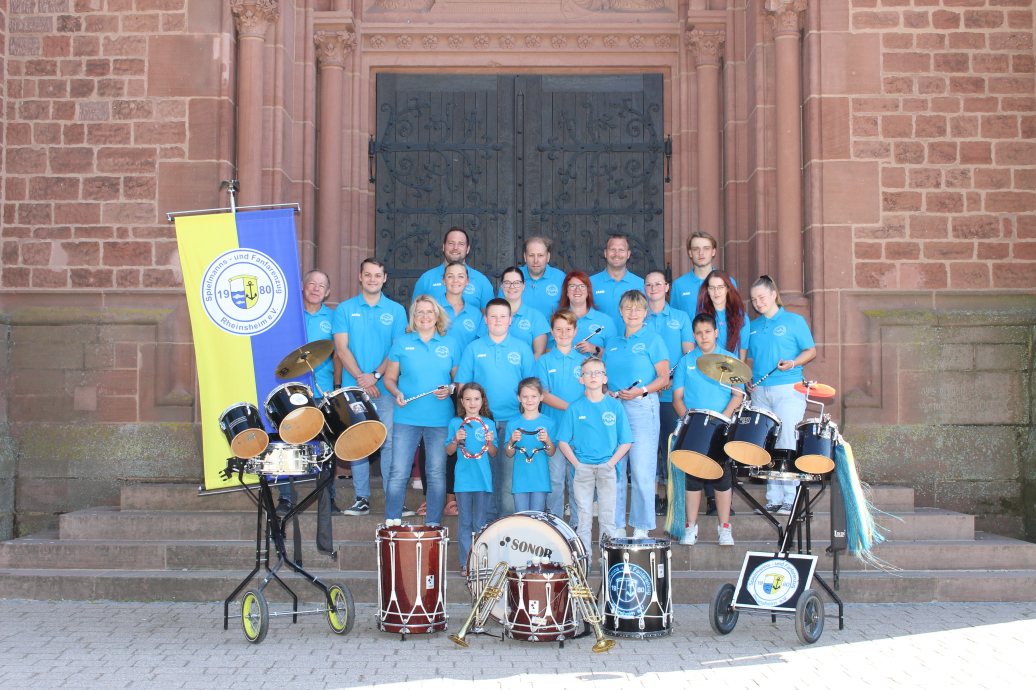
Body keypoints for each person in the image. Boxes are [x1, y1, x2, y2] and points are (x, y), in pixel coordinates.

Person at [331, 259, 407, 517]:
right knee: (358, 443)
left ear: (385, 278)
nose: (372, 279)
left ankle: (393, 499)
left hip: (385, 388)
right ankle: (361, 498)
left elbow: (397, 349)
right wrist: (361, 379)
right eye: (368, 275)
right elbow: (341, 348)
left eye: (377, 275)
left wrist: (375, 376)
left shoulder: (397, 310)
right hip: (354, 390)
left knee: (389, 443)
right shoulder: (344, 309)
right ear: (360, 277)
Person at [383, 297, 460, 525]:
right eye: (420, 312)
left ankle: (433, 524)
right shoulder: (401, 343)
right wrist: (396, 392)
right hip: (406, 417)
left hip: (440, 419)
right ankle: (392, 524)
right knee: (398, 472)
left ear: (437, 315)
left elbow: (459, 381)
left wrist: (450, 389)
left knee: (436, 473)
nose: (425, 316)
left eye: (429, 312)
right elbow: (389, 378)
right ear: (413, 317)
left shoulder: (451, 343)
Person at [455, 298, 535, 518]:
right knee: (486, 476)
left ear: (510, 320)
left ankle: (508, 523)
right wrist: (467, 420)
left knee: (509, 479)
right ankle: (488, 525)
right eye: (493, 316)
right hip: (481, 423)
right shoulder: (473, 348)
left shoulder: (522, 348)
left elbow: (532, 388)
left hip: (513, 423)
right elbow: (462, 386)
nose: (498, 320)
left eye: (502, 316)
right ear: (485, 319)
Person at [745, 275, 817, 515]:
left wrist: (793, 363)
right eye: (754, 299)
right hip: (760, 392)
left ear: (773, 295)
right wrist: (748, 380)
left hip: (788, 388)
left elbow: (811, 351)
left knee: (786, 440)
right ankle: (773, 499)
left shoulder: (794, 321)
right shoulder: (753, 326)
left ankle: (791, 497)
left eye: (762, 297)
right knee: (766, 443)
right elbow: (750, 359)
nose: (758, 303)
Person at [672, 313, 745, 546]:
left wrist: (722, 421)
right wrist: (689, 422)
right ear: (693, 336)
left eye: (708, 332)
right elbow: (677, 398)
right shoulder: (686, 361)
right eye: (699, 333)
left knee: (722, 477)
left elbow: (737, 395)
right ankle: (690, 527)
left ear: (716, 333)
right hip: (694, 426)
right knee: (693, 478)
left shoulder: (730, 360)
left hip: (721, 427)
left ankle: (724, 528)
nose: (704, 337)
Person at [603, 290, 670, 538]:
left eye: (638, 308)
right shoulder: (612, 342)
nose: (633, 313)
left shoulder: (653, 340)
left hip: (642, 406)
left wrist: (641, 390)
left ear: (646, 313)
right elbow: (604, 377)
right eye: (628, 308)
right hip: (615, 408)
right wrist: (607, 392)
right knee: (615, 470)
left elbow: (663, 378)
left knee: (642, 469)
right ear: (620, 311)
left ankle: (641, 526)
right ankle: (617, 525)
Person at [277, 269, 340, 517]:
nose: (315, 288)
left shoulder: (334, 317)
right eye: (311, 283)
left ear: (327, 292)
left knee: (325, 447)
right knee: (287, 442)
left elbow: (340, 354)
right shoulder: (288, 315)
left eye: (321, 285)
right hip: (291, 390)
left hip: (322, 390)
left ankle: (327, 497)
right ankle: (286, 497)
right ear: (303, 287)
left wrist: (337, 386)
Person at [556, 357, 633, 555]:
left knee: (608, 516)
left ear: (605, 378)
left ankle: (607, 561)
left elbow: (626, 441)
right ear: (581, 379)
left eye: (598, 372)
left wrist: (610, 464)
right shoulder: (575, 408)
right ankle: (585, 560)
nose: (593, 376)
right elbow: (563, 441)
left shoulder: (615, 406)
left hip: (607, 468)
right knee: (583, 516)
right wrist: (577, 464)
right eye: (588, 373)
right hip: (583, 469)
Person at [643, 269, 694, 517]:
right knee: (649, 450)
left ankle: (673, 498)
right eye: (649, 284)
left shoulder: (681, 317)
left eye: (658, 284)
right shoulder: (639, 316)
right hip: (646, 396)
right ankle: (653, 498)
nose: (653, 288)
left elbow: (689, 353)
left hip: (672, 395)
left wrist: (670, 378)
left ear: (667, 287)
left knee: (671, 447)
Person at [536, 310, 585, 523]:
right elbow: (544, 395)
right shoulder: (544, 361)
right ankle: (555, 524)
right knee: (555, 479)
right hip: (554, 430)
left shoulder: (585, 362)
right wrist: (572, 408)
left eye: (568, 329)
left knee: (577, 480)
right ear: (551, 331)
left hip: (578, 431)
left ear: (575, 331)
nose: (563, 333)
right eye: (558, 329)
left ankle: (577, 525)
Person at [445, 383, 496, 573]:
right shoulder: (455, 423)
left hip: (482, 480)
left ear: (482, 401)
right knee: (465, 522)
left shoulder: (489, 424)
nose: (472, 403)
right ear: (461, 401)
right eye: (468, 399)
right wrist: (455, 439)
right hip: (463, 481)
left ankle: (479, 563)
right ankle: (466, 563)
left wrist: (489, 442)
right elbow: (449, 451)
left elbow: (493, 453)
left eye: (476, 399)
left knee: (480, 522)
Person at [503, 378, 556, 512]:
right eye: (525, 396)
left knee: (536, 518)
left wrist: (548, 441)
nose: (529, 400)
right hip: (520, 481)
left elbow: (551, 452)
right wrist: (511, 441)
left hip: (540, 480)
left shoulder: (549, 423)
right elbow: (509, 453)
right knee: (522, 518)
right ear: (519, 398)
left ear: (541, 397)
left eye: (533, 396)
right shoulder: (513, 423)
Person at [412, 227, 495, 310]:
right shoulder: (426, 279)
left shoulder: (482, 281)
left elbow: (488, 315)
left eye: (461, 244)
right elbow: (415, 313)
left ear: (468, 249)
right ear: (443, 247)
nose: (455, 247)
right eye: (451, 243)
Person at [671, 231, 734, 316]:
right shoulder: (679, 285)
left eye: (706, 248)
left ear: (713, 252)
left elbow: (736, 315)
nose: (701, 253)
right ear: (690, 253)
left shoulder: (728, 282)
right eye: (696, 249)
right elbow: (674, 319)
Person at [490, 266, 549, 357]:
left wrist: (526, 366)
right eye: (507, 282)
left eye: (517, 283)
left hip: (526, 366)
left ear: (523, 286)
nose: (512, 287)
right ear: (502, 286)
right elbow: (482, 346)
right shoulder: (491, 315)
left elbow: (539, 353)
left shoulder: (536, 317)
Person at [550, 270, 615, 353]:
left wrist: (595, 349)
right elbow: (548, 351)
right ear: (566, 292)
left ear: (588, 292)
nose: (577, 290)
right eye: (572, 286)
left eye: (582, 286)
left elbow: (614, 354)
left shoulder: (606, 321)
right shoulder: (557, 320)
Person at [589, 234, 645, 325]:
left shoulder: (641, 284)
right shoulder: (590, 283)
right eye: (612, 249)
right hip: (600, 335)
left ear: (628, 254)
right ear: (605, 253)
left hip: (631, 335)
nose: (617, 254)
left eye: (621, 250)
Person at [697, 270, 751, 358]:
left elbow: (742, 358)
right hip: (707, 365)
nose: (716, 292)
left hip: (733, 366)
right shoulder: (701, 317)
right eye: (712, 288)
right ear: (707, 290)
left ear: (727, 289)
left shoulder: (742, 318)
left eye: (720, 287)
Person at [511, 236, 567, 320]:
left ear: (548, 257)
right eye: (531, 255)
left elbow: (570, 310)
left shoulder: (561, 278)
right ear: (525, 257)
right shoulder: (512, 276)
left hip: (550, 328)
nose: (536, 260)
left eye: (540, 255)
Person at [442, 261, 484, 352]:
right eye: (450, 276)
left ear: (467, 281)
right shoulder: (432, 308)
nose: (455, 280)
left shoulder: (476, 314)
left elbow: (479, 346)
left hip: (466, 361)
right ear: (444, 280)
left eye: (460, 276)